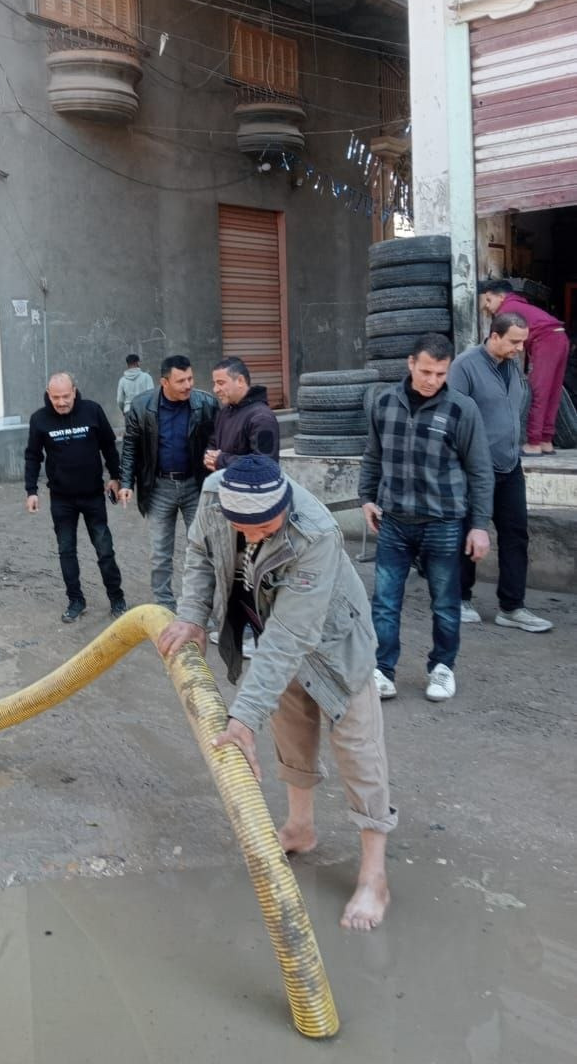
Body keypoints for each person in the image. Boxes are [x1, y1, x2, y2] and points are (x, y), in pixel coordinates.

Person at [158, 455, 397, 932]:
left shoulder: (317, 533)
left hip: (335, 644)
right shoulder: (214, 494)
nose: (253, 538)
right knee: (291, 733)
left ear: (284, 505)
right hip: (271, 630)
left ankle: (375, 876)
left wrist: (243, 717)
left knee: (358, 750)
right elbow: (201, 553)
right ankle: (300, 828)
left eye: (266, 528)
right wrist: (192, 615)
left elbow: (293, 636)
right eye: (243, 529)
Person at [359, 333, 494, 702]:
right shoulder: (384, 403)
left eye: (440, 373)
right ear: (410, 364)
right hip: (394, 522)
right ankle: (383, 670)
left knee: (446, 604)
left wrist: (479, 526)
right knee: (385, 601)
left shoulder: (462, 409)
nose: (433, 380)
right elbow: (373, 455)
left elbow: (480, 470)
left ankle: (442, 668)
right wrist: (366, 498)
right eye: (426, 371)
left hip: (444, 523)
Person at [448, 312, 553, 633]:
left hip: (510, 465)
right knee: (468, 532)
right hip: (474, 469)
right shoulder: (465, 366)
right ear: (494, 336)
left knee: (516, 535)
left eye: (523, 342)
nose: (520, 348)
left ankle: (512, 607)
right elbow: (452, 417)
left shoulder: (511, 364)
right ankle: (459, 599)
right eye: (514, 341)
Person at [25, 372, 127, 623]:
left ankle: (117, 598)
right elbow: (33, 456)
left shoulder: (92, 411)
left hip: (93, 495)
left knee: (104, 550)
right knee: (66, 551)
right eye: (56, 397)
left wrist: (116, 476)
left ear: (74, 391)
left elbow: (109, 446)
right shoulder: (39, 419)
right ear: (48, 395)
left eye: (66, 396)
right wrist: (31, 491)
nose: (61, 402)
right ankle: (76, 600)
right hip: (61, 499)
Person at [119, 355, 218, 608]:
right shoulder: (141, 406)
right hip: (159, 488)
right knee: (160, 553)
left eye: (190, 378)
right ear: (164, 382)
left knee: (203, 548)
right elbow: (130, 446)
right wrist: (126, 483)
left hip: (196, 486)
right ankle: (164, 606)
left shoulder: (206, 404)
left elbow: (219, 439)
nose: (188, 385)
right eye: (181, 381)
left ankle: (199, 605)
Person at [479, 279, 570, 455]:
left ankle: (534, 443)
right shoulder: (520, 304)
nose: (487, 306)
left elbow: (498, 344)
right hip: (560, 337)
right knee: (552, 392)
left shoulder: (506, 311)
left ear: (501, 297)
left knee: (538, 392)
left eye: (489, 300)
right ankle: (545, 440)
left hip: (546, 341)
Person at [204, 356, 279, 472]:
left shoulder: (262, 418)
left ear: (240, 381)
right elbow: (213, 445)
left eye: (220, 383)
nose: (215, 389)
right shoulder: (224, 413)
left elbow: (265, 465)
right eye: (214, 383)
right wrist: (209, 457)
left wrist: (221, 460)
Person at [116, 354, 153, 421]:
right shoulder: (147, 377)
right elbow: (152, 395)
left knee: (130, 428)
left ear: (127, 364)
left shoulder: (122, 380)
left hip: (128, 411)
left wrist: (124, 409)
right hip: (144, 411)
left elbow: (120, 400)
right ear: (137, 363)